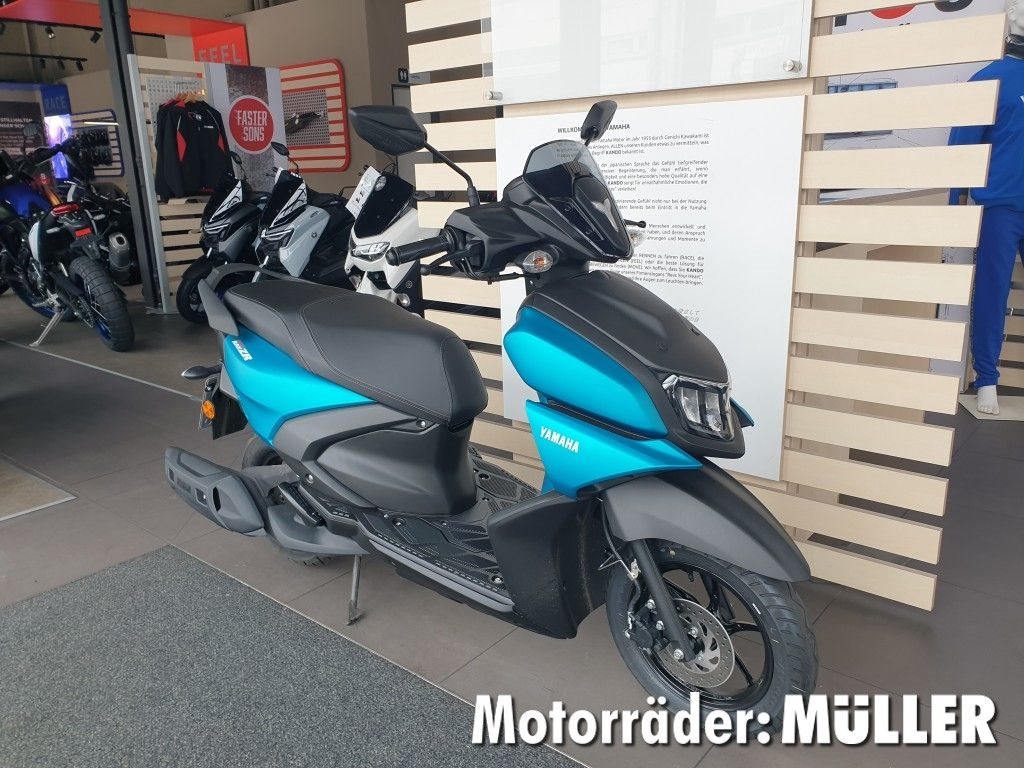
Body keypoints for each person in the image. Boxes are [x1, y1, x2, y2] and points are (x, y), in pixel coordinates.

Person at [948, 0, 1024, 415]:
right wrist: (955, 206)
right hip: (1001, 207)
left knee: (993, 291)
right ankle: (987, 379)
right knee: (993, 291)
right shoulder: (989, 79)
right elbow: (962, 147)